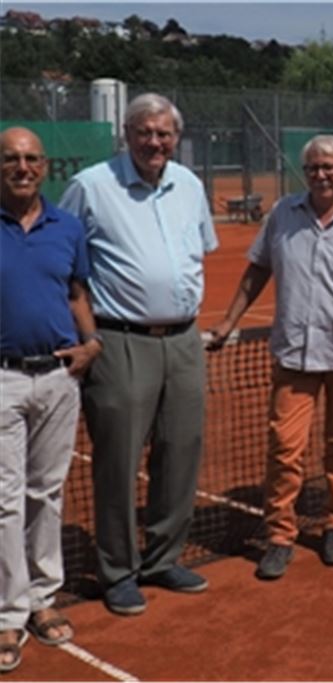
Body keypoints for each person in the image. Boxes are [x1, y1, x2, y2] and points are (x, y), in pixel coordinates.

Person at [208, 134, 333, 579]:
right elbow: (257, 269)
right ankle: (280, 535)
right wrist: (228, 322)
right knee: (285, 448)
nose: (321, 174)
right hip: (295, 357)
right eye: (314, 167)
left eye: (330, 167)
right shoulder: (282, 214)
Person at [60, 94, 219, 616]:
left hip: (184, 340)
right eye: (145, 132)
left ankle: (163, 558)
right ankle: (118, 570)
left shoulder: (190, 185)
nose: (155, 142)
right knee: (118, 461)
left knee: (181, 452)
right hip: (119, 340)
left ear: (176, 137)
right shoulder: (91, 186)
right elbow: (64, 260)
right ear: (126, 134)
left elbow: (199, 250)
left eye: (165, 133)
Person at [0, 127, 101, 671]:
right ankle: (9, 614)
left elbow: (76, 292)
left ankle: (43, 599)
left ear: (45, 167)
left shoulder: (67, 226)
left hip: (60, 378)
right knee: (5, 500)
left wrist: (91, 343)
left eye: (31, 158)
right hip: (3, 381)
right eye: (11, 158)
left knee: (46, 494)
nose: (22, 166)